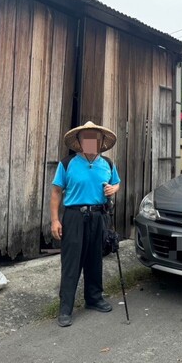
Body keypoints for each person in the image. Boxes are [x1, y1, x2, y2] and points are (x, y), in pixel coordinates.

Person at [50, 121, 121, 327]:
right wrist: (55, 220)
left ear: (100, 142)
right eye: (86, 138)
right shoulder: (67, 163)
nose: (90, 141)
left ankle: (94, 298)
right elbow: (56, 192)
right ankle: (66, 308)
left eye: (94, 138)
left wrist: (114, 189)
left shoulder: (107, 164)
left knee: (94, 259)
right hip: (74, 217)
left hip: (99, 216)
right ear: (79, 142)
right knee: (71, 262)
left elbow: (117, 182)